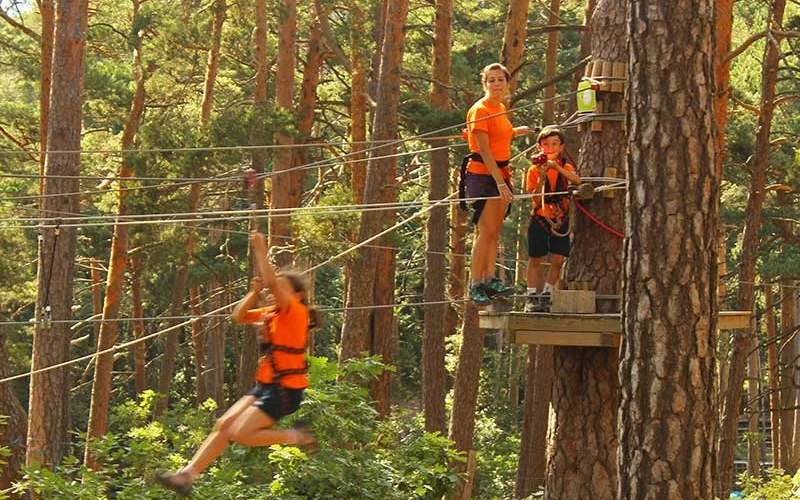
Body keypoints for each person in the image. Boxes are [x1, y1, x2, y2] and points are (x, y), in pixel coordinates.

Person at [155, 231, 317, 497]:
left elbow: (271, 281)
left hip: (285, 389)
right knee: (224, 425)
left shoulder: (296, 312)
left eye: (281, 289)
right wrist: (254, 293)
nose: (273, 293)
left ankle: (298, 437)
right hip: (267, 385)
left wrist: (260, 248)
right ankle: (187, 475)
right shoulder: (272, 313)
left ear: (298, 296)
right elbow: (239, 316)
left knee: (241, 433)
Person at [461, 62, 533, 306]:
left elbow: (500, 135)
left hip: (500, 173)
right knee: (485, 231)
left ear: (507, 83)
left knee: (494, 231)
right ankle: (475, 283)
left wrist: (518, 131)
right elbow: (483, 148)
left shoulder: (499, 108)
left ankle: (490, 279)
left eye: (500, 79)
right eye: (491, 80)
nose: (496, 84)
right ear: (485, 84)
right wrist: (500, 183)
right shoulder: (480, 110)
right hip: (483, 175)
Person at [524, 126, 582, 312]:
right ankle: (531, 296)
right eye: (546, 144)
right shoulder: (534, 169)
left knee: (558, 259)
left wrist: (556, 167)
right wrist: (542, 177)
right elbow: (535, 197)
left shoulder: (565, 167)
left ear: (561, 147)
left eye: (554, 144)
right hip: (541, 217)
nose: (550, 148)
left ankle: (547, 294)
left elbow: (576, 180)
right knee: (535, 258)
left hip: (560, 218)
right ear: (539, 147)